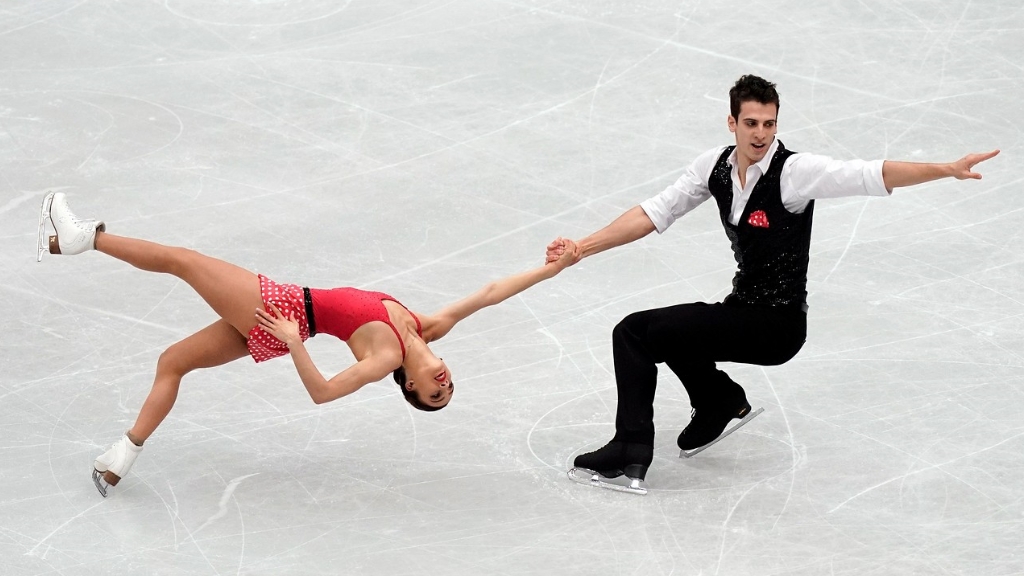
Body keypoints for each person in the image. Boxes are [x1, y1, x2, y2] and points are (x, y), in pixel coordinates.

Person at [546, 74, 999, 495]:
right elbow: (652, 213)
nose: (760, 134)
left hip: (777, 325)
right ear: (732, 123)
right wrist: (583, 246)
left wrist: (945, 168)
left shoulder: (794, 172)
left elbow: (868, 173)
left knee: (633, 332)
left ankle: (630, 450)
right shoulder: (715, 168)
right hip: (741, 307)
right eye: (750, 123)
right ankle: (717, 400)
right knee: (672, 330)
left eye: (769, 123)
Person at [36, 191, 577, 497]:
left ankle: (86, 237)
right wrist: (549, 271)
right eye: (450, 387)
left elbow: (321, 393)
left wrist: (295, 341)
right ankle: (120, 457)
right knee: (172, 362)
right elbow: (489, 293)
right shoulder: (425, 327)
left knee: (183, 261)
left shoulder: (386, 355)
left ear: (407, 384)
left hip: (284, 312)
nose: (444, 385)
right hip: (284, 324)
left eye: (434, 396)